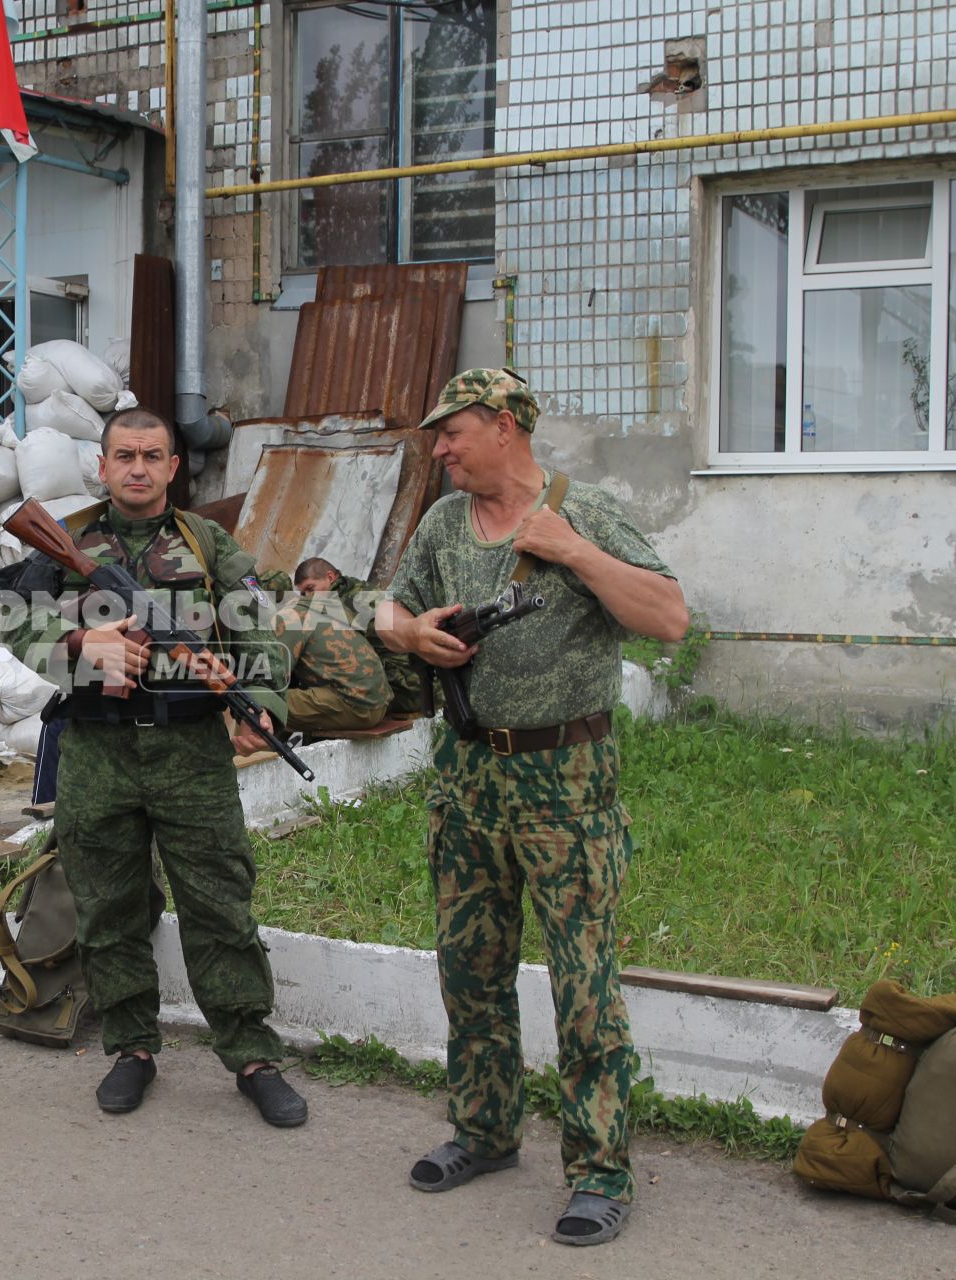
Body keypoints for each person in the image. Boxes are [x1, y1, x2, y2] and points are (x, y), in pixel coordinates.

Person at [377, 368, 687, 1246]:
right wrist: (412, 631)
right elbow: (389, 605)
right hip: (467, 778)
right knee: (468, 967)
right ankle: (484, 1130)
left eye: (452, 433)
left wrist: (575, 552)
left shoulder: (584, 511)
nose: (439, 449)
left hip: (567, 783)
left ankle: (599, 1171)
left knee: (583, 983)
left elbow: (668, 617)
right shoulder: (443, 521)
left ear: (505, 426)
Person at [0, 407, 308, 1128]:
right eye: (124, 455)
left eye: (153, 455)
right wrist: (81, 645)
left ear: (174, 467)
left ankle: (252, 1055)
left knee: (218, 901)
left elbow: (258, 624)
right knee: (109, 905)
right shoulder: (66, 541)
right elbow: (12, 619)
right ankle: (131, 1047)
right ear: (102, 467)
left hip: (190, 754)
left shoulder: (208, 544)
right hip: (96, 751)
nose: (138, 468)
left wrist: (258, 704)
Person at [270, 555, 391, 734]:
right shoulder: (332, 607)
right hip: (380, 702)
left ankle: (249, 756)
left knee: (259, 700)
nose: (308, 596)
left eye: (310, 589)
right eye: (303, 593)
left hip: (360, 707)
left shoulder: (290, 616)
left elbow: (274, 676)